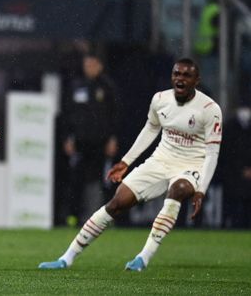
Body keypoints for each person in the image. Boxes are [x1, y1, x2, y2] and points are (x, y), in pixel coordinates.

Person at [39, 58, 222, 271]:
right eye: (177, 74)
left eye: (186, 75)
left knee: (178, 189)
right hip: (161, 160)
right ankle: (66, 258)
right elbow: (150, 130)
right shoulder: (160, 99)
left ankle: (143, 257)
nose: (180, 79)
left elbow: (212, 152)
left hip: (192, 164)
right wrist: (126, 161)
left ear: (196, 80)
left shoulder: (210, 109)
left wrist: (201, 189)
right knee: (117, 202)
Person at [60, 54, 119, 225]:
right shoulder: (76, 86)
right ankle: (73, 216)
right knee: (76, 180)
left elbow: (115, 115)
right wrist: (68, 138)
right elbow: (68, 114)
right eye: (87, 64)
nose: (90, 67)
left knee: (104, 180)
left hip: (101, 142)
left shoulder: (107, 87)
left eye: (93, 64)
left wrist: (112, 139)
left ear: (100, 66)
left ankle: (105, 217)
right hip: (80, 142)